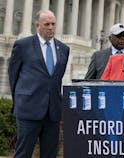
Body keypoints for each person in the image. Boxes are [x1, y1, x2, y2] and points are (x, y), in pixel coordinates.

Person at [8, 10, 69, 158]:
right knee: (23, 153)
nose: (50, 27)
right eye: (46, 24)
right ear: (37, 25)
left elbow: (56, 79)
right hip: (28, 110)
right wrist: (20, 101)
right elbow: (13, 75)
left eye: (53, 24)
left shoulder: (64, 49)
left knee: (50, 154)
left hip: (53, 112)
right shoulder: (23, 45)